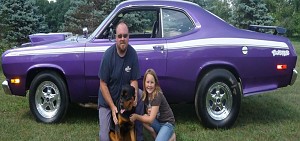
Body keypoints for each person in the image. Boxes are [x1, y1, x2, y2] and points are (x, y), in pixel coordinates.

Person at [98, 21, 144, 141]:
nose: (122, 39)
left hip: (124, 99)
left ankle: (138, 135)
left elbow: (134, 80)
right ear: (115, 38)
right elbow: (102, 84)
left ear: (129, 37)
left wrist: (134, 99)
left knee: (139, 93)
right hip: (108, 102)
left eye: (125, 36)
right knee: (104, 138)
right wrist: (113, 107)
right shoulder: (108, 55)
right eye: (119, 36)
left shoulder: (132, 53)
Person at [130, 69, 176, 141]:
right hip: (158, 122)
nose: (149, 85)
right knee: (144, 117)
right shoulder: (146, 95)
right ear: (144, 83)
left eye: (152, 82)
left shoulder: (157, 95)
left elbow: (151, 120)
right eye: (147, 82)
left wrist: (136, 116)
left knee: (144, 118)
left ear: (155, 83)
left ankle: (171, 136)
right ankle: (156, 135)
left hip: (167, 124)